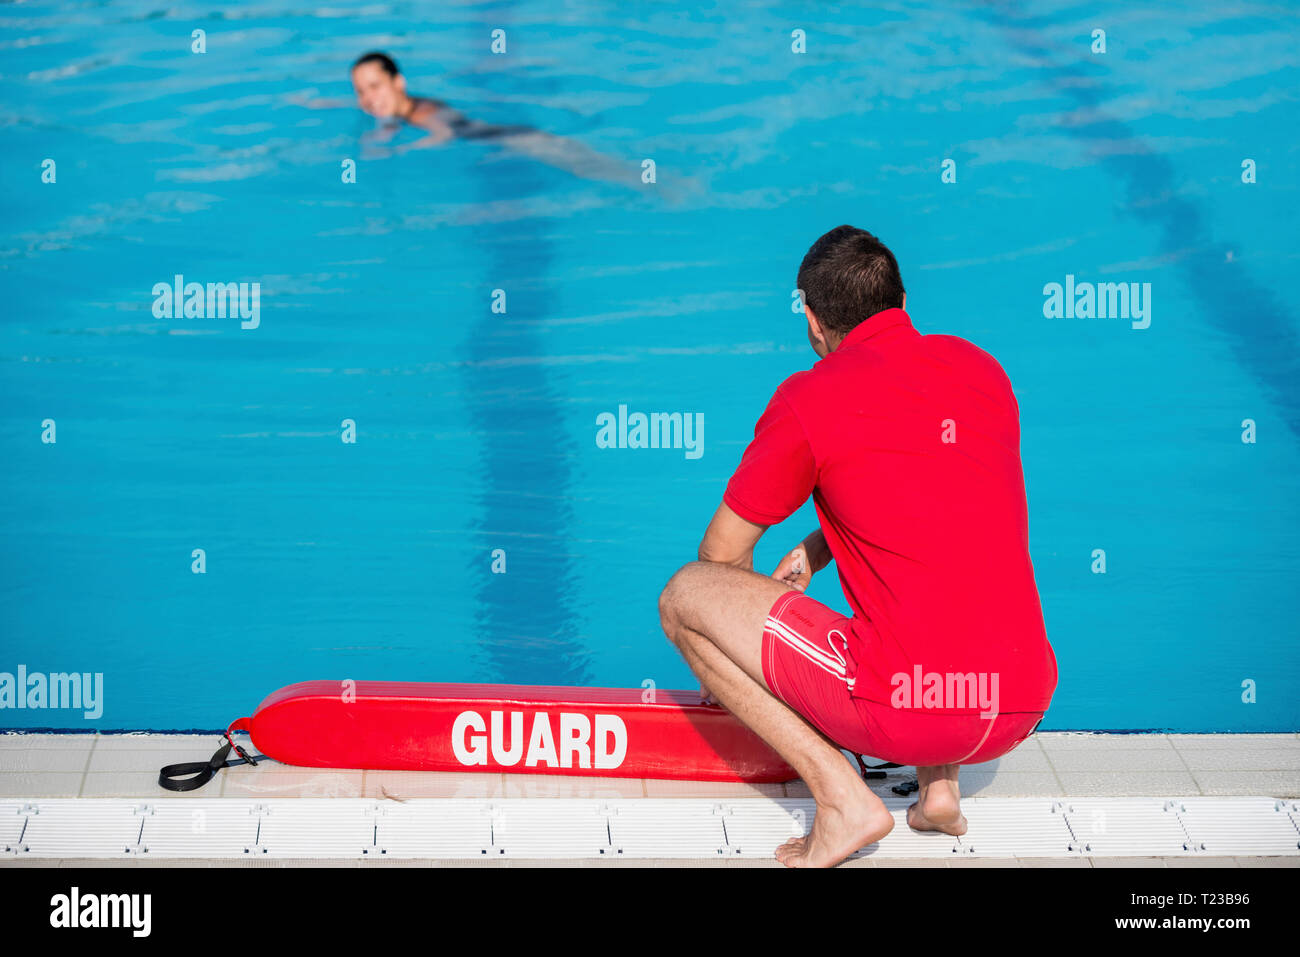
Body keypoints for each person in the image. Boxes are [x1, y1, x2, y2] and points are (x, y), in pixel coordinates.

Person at [658, 225, 1058, 868]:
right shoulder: (981, 370)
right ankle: (940, 794)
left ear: (813, 323)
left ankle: (842, 799)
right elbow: (941, 509)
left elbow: (719, 555)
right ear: (902, 301)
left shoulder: (811, 398)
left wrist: (744, 629)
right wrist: (821, 550)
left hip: (910, 707)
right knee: (944, 586)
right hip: (1021, 699)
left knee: (684, 597)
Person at [348, 51, 641, 186]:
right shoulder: (401, 108)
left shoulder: (424, 113)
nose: (369, 98)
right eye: (361, 91)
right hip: (507, 138)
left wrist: (397, 151)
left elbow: (443, 135)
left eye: (375, 86)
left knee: (597, 169)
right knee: (599, 168)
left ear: (398, 82)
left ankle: (669, 187)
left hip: (516, 140)